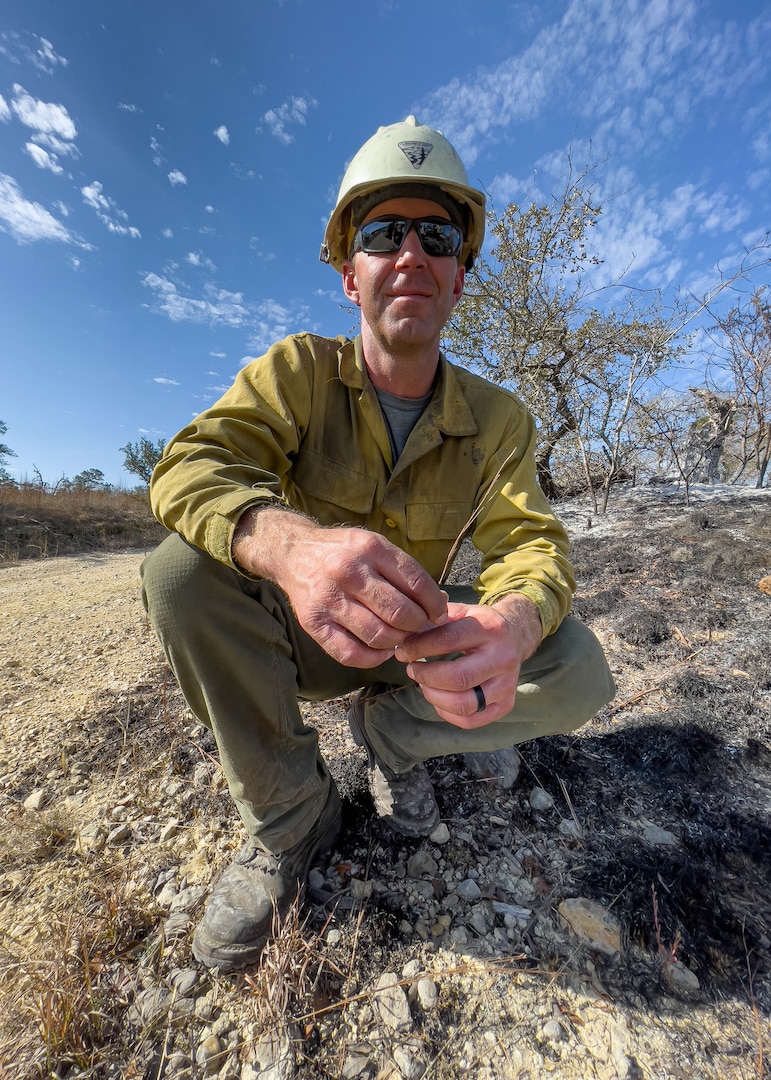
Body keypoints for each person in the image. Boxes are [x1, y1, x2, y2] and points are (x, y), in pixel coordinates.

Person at [141, 116, 615, 971]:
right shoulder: (294, 372)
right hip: (306, 639)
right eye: (381, 233)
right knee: (178, 574)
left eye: (435, 236)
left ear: (460, 277)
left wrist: (510, 621)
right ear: (348, 275)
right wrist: (289, 547)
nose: (410, 253)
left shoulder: (501, 418)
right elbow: (189, 467)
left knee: (578, 665)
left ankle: (394, 737)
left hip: (414, 648)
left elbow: (531, 544)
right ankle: (294, 821)